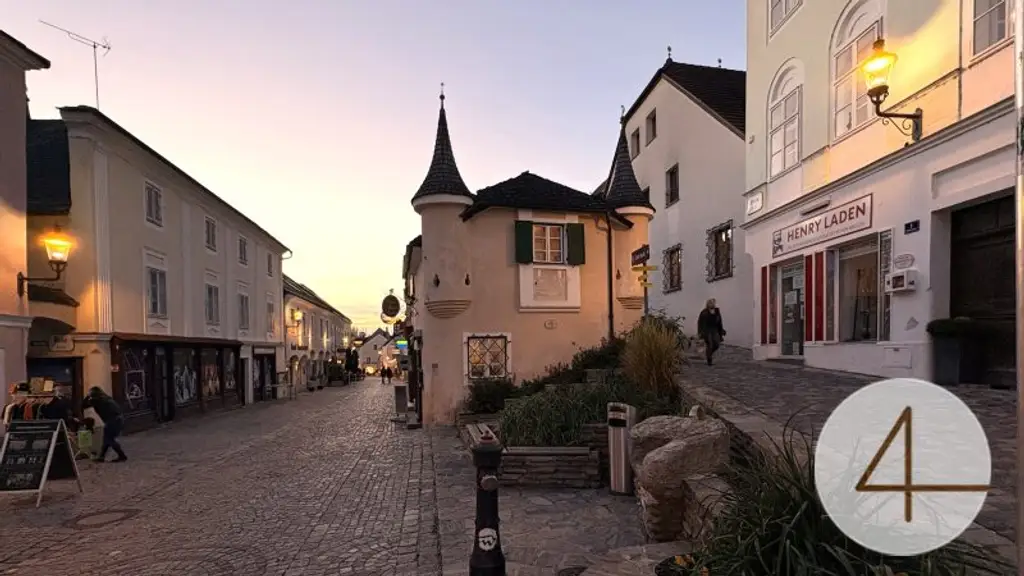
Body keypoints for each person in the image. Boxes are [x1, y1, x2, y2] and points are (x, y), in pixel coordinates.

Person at [82, 386, 127, 462]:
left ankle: (122, 455)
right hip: (118, 419)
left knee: (109, 439)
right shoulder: (106, 398)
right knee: (106, 439)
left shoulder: (96, 400)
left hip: (112, 421)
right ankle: (101, 457)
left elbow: (84, 405)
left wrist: (88, 396)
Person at [697, 298, 726, 366]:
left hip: (715, 330)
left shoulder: (717, 311)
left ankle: (709, 354)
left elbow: (719, 322)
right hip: (707, 330)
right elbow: (700, 323)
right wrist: (701, 333)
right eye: (710, 303)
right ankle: (709, 360)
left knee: (716, 344)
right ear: (708, 304)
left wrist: (721, 330)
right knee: (710, 344)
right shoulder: (704, 312)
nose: (712, 304)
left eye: (713, 303)